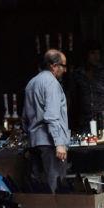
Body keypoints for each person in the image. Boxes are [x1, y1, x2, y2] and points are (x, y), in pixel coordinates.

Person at [22, 49, 70, 194]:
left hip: (34, 142)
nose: (65, 70)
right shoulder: (51, 83)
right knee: (56, 187)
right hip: (50, 143)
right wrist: (59, 143)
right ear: (53, 66)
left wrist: (30, 136)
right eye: (63, 66)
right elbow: (51, 116)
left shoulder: (31, 83)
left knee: (39, 188)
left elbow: (24, 117)